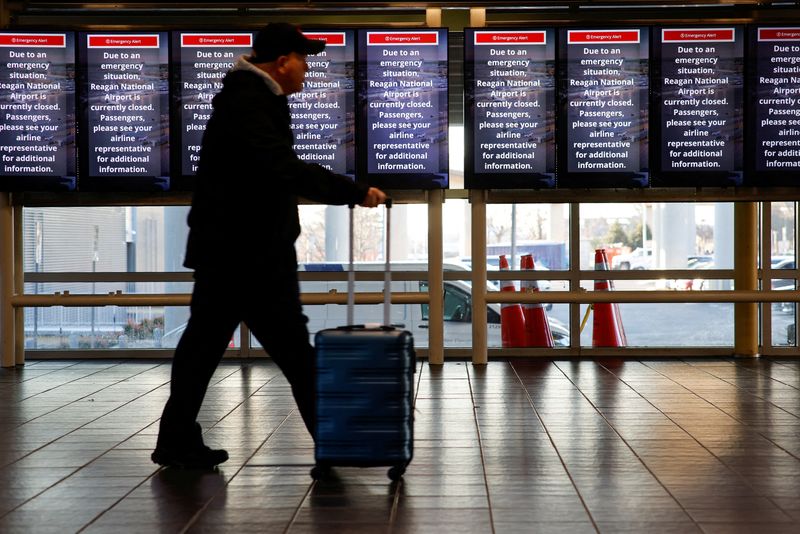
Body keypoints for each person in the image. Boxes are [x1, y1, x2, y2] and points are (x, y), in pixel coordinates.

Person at [152, 23, 387, 469]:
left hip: (236, 250)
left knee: (204, 349)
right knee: (293, 353)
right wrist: (354, 191)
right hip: (248, 254)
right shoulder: (249, 102)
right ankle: (334, 441)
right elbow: (282, 167)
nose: (306, 70)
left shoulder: (250, 99)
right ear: (281, 61)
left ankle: (177, 439)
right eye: (303, 60)